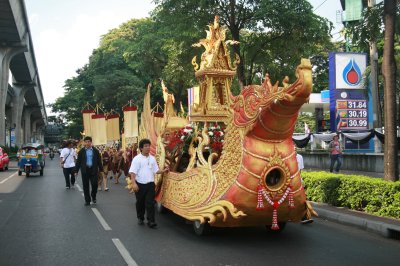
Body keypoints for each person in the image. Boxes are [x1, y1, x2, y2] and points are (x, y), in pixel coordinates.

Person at [129, 138, 169, 228]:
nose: (148, 148)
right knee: (140, 202)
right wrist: (134, 183)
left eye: (149, 146)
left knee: (150, 203)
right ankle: (140, 217)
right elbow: (133, 172)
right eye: (145, 146)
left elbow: (156, 170)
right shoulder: (137, 159)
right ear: (141, 148)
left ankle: (151, 221)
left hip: (150, 184)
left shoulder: (152, 158)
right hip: (139, 184)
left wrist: (164, 171)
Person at [75, 136, 103, 206]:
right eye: (86, 142)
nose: (87, 143)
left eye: (89, 142)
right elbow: (78, 161)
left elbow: (99, 160)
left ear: (91, 142)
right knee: (85, 185)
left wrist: (101, 170)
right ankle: (87, 200)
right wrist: (76, 171)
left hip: (93, 170)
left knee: (94, 184)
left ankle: (93, 196)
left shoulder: (95, 151)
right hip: (85, 170)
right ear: (84, 143)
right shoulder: (81, 151)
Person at [295, 146, 314, 224]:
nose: (294, 150)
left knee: (302, 199)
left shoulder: (300, 157)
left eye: (295, 148)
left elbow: (300, 170)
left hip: (297, 181)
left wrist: (299, 181)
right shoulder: (285, 157)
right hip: (288, 182)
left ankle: (305, 216)